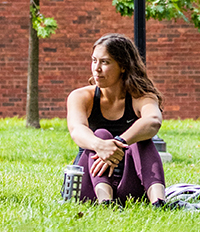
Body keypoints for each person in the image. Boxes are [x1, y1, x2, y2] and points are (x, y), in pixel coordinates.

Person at [66, 33, 175, 208]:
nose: (96, 68)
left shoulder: (142, 97)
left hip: (129, 185)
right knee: (101, 134)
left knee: (142, 139)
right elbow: (76, 130)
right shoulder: (80, 96)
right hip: (91, 186)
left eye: (105, 62)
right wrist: (99, 145)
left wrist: (119, 142)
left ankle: (159, 202)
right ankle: (106, 203)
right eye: (94, 61)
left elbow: (153, 120)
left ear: (123, 66)